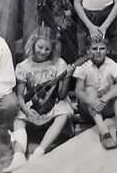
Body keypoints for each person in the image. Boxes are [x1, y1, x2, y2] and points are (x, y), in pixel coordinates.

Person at [4, 27, 74, 172]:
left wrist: (67, 78)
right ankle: (18, 157)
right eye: (40, 47)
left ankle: (39, 152)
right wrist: (26, 110)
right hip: (33, 103)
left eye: (47, 49)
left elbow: (61, 95)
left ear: (53, 49)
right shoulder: (24, 66)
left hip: (54, 102)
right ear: (33, 45)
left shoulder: (59, 63)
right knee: (18, 119)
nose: (43, 52)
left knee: (63, 112)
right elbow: (20, 96)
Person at [73, 36, 117, 150]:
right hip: (88, 108)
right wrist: (92, 101)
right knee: (90, 89)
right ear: (88, 50)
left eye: (102, 48)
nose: (98, 52)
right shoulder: (83, 66)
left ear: (107, 50)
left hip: (105, 105)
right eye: (94, 48)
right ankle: (104, 132)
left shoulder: (112, 64)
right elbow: (78, 91)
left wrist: (104, 98)